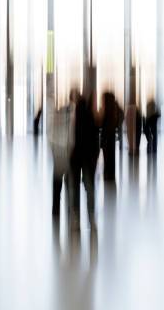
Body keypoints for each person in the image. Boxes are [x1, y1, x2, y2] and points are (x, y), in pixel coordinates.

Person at [69, 91, 99, 228]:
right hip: (87, 159)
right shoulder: (90, 118)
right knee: (90, 188)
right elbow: (95, 141)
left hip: (75, 158)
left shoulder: (73, 118)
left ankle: (75, 219)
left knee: (74, 188)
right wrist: (95, 158)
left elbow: (69, 140)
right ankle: (91, 218)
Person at [49, 91, 75, 217]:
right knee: (69, 185)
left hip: (59, 154)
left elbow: (52, 134)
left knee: (57, 185)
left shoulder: (60, 112)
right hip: (69, 154)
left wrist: (53, 150)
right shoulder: (76, 114)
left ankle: (55, 211)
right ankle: (70, 211)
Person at [100, 92, 119, 182]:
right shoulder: (114, 110)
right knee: (111, 156)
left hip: (106, 136)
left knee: (107, 156)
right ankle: (111, 175)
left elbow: (100, 123)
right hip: (111, 136)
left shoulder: (106, 111)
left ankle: (107, 174)